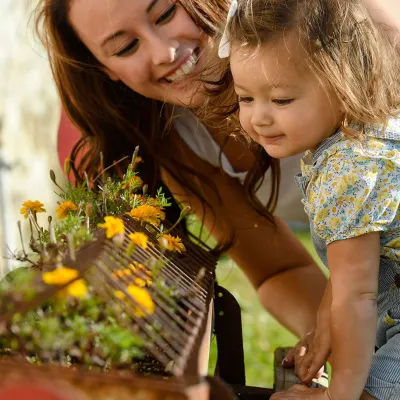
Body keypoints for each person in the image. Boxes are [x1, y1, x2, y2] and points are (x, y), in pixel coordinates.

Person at [35, 0, 398, 349]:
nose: (164, 52)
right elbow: (278, 268)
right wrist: (330, 339)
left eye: (164, 14)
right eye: (127, 46)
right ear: (105, 69)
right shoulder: (176, 141)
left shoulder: (334, 15)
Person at [214, 0, 400, 399]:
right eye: (246, 98)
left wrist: (338, 398)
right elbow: (354, 265)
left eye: (280, 100)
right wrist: (324, 318)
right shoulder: (361, 135)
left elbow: (357, 297)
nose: (259, 117)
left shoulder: (348, 171)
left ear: (345, 82)